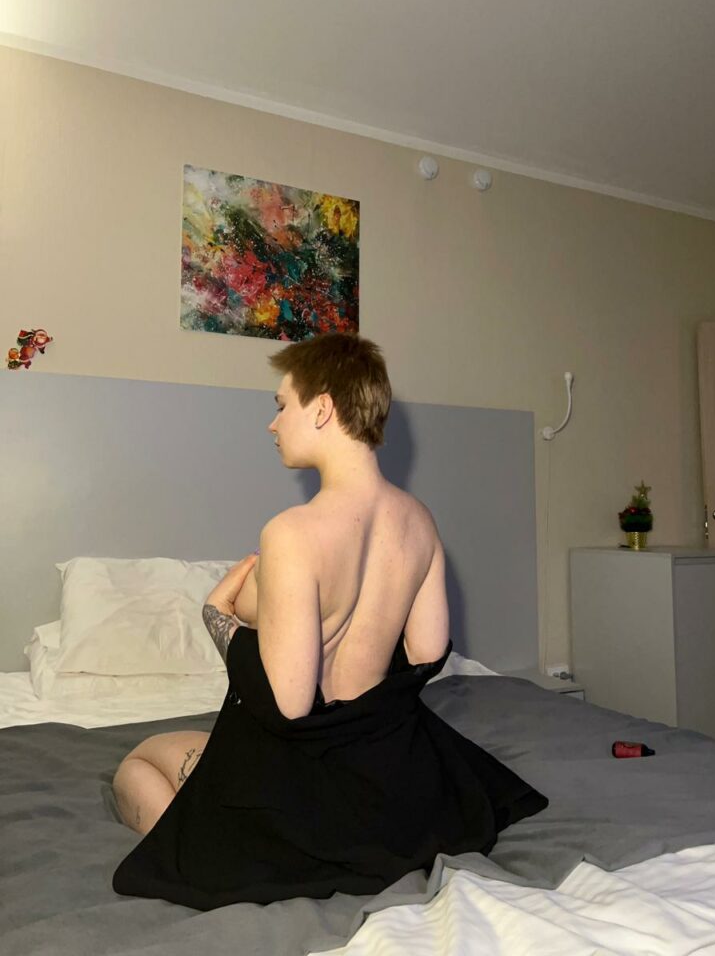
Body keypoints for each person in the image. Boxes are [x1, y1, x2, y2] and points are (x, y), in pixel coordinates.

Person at [112, 332, 547, 910]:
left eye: (281, 405)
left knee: (138, 763)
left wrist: (217, 616)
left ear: (321, 408)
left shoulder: (292, 533)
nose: (272, 424)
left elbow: (290, 704)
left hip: (301, 781)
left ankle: (209, 845)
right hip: (390, 773)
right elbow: (427, 652)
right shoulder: (419, 520)